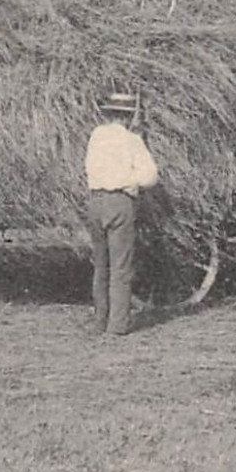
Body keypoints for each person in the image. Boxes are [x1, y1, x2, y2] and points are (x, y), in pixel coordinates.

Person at [84, 92, 157, 335]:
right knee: (121, 267)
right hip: (119, 202)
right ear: (128, 116)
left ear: (109, 113)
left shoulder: (96, 136)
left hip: (95, 202)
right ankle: (117, 326)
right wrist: (130, 181)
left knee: (101, 265)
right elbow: (150, 177)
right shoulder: (132, 140)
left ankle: (99, 321)